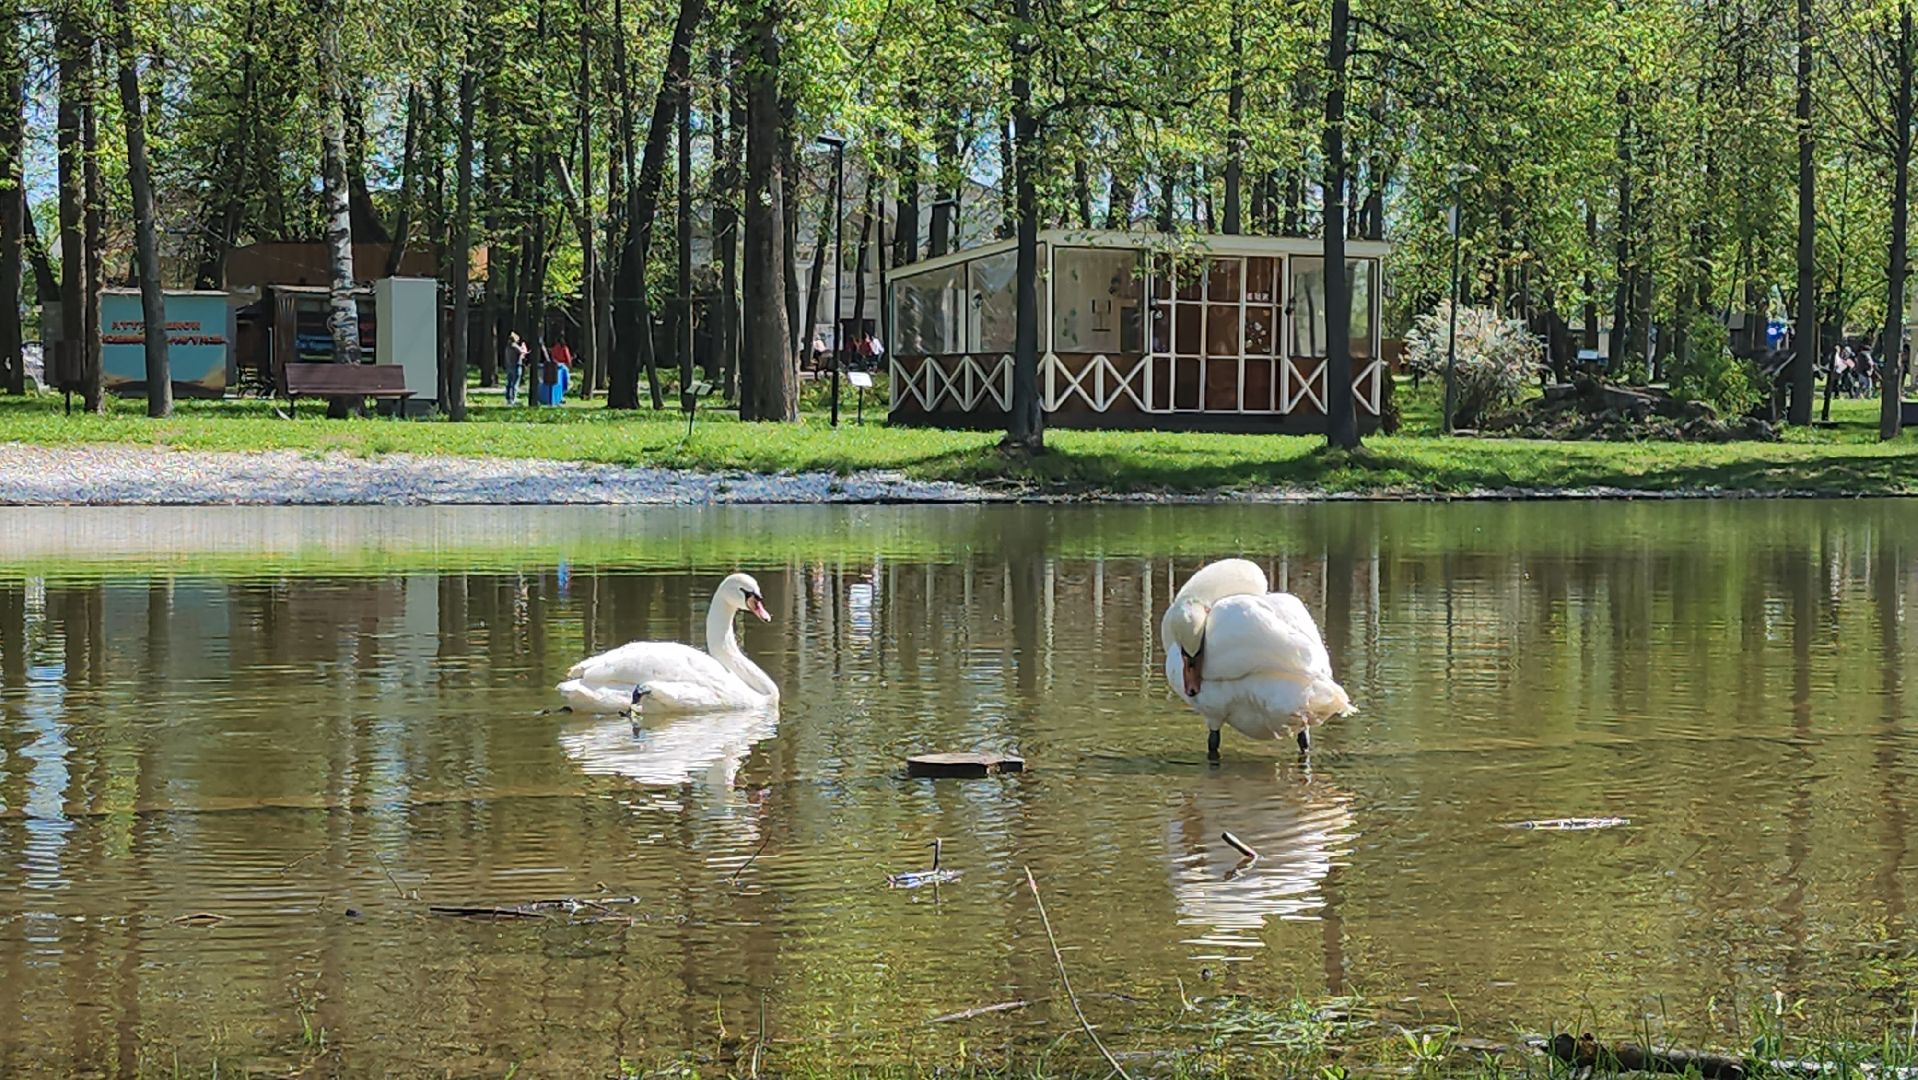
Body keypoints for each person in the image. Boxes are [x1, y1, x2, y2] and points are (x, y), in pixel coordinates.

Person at [504, 331, 529, 405]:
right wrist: (524, 347)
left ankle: (508, 398)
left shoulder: (507, 347)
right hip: (516, 366)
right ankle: (513, 398)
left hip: (509, 366)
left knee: (509, 383)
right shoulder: (515, 346)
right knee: (515, 384)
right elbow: (523, 352)